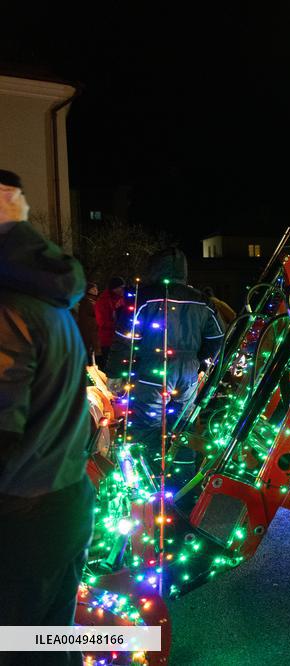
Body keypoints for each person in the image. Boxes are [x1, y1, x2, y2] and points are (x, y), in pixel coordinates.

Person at [0, 169, 94, 658]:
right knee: (48, 644)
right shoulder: (49, 300)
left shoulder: (7, 310)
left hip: (22, 517)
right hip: (63, 500)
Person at [107, 248, 224, 457]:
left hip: (152, 370)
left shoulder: (142, 298)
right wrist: (197, 360)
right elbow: (217, 338)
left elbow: (124, 338)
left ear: (155, 268)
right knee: (183, 430)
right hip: (188, 374)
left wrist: (115, 372)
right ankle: (181, 481)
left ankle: (150, 479)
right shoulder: (202, 301)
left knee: (146, 428)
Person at [94, 276, 125, 369]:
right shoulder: (104, 301)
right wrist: (118, 326)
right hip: (107, 339)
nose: (122, 289)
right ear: (114, 288)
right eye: (120, 287)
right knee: (107, 366)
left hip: (117, 338)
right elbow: (102, 322)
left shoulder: (119, 299)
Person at [75, 282, 101, 365]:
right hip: (87, 332)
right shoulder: (86, 302)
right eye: (93, 289)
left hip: (91, 332)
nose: (96, 291)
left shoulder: (93, 301)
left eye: (96, 289)